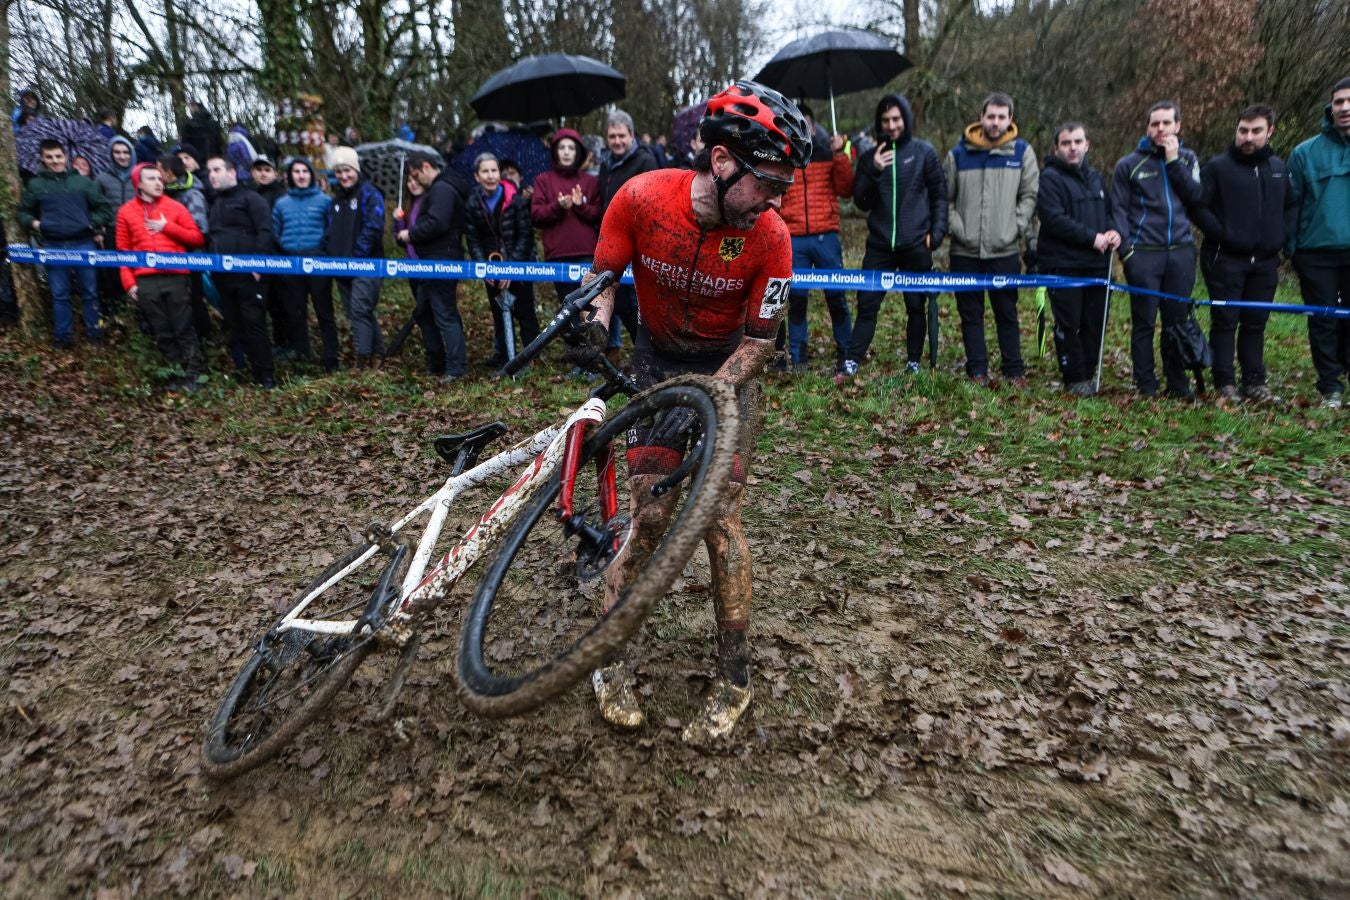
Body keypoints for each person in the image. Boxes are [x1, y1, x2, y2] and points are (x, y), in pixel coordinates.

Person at [583, 81, 809, 742]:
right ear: (720, 161)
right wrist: (596, 328)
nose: (775, 198)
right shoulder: (640, 198)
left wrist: (714, 392)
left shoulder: (772, 238)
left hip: (730, 367)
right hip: (658, 359)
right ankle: (609, 657)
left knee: (719, 519)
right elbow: (602, 283)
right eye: (767, 181)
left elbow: (763, 341)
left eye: (784, 184)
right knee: (649, 513)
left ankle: (735, 677)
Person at [841, 93, 946, 382]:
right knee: (867, 304)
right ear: (880, 123)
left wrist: (936, 234)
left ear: (906, 119)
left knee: (916, 306)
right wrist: (874, 170)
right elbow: (861, 201)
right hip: (880, 245)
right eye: (886, 120)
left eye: (896, 119)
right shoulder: (868, 157)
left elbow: (939, 195)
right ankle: (851, 361)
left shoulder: (924, 152)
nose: (892, 125)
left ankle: (913, 361)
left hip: (916, 244)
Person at [1193, 105, 1293, 405]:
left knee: (1256, 322)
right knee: (1225, 321)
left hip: (1264, 262)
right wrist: (1222, 233)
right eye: (1243, 130)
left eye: (1255, 131)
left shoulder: (1278, 168)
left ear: (1269, 131)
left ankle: (1255, 381)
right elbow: (1198, 207)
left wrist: (1283, 236)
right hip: (1225, 259)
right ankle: (1224, 382)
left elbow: (1292, 204)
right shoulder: (1217, 167)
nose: (1248, 137)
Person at [943, 92, 1039, 386]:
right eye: (990, 116)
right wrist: (957, 228)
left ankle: (1014, 370)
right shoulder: (958, 154)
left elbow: (1029, 196)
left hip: (1004, 250)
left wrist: (1014, 227)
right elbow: (944, 199)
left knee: (1006, 313)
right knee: (970, 314)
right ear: (981, 117)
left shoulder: (1022, 152)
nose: (995, 122)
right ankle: (977, 370)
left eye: (1001, 117)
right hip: (965, 250)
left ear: (1010, 119)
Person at [1110, 101, 1204, 399]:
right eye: (1155, 124)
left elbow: (1196, 198)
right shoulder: (1129, 164)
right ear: (1147, 128)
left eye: (1166, 123)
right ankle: (1146, 384)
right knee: (1144, 322)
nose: (1160, 129)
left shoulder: (1188, 159)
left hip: (1181, 251)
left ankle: (1177, 383)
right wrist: (1127, 252)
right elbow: (1118, 211)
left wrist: (1174, 160)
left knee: (1177, 321)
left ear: (1178, 126)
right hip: (1144, 253)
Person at [1036, 123, 1119, 396]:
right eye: (1066, 142)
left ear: (1087, 144)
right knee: (1070, 323)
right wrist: (1091, 237)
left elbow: (1109, 212)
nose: (1072, 147)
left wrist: (1112, 231)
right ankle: (1074, 377)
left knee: (1095, 322)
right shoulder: (1049, 178)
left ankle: (1088, 372)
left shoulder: (1096, 178)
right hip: (1064, 264)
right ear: (1056, 148)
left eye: (1077, 141)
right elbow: (1053, 219)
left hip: (1097, 264)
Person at [774, 102, 854, 374]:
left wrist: (841, 155)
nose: (802, 126)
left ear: (813, 124)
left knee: (837, 297)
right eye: (797, 122)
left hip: (826, 236)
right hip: (794, 237)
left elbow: (846, 189)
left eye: (806, 121)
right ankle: (798, 358)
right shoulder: (784, 157)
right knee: (797, 299)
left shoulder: (828, 153)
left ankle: (847, 354)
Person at [1286, 77, 1350, 409]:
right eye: (1338, 102)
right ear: (1330, 107)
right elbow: (1292, 204)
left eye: (1349, 101)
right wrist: (1292, 248)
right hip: (1316, 252)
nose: (1345, 107)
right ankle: (1330, 387)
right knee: (1323, 320)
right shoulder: (1305, 152)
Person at [115, 163, 205, 389]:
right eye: (152, 179)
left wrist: (167, 228)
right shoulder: (125, 211)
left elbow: (197, 238)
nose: (158, 182)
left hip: (175, 276)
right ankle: (175, 374)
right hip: (145, 281)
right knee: (162, 330)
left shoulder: (175, 207)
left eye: (159, 178)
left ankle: (193, 375)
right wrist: (129, 283)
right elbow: (123, 252)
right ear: (139, 184)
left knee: (183, 326)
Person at [17, 139, 112, 348]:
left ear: (65, 157)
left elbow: (104, 209)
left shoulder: (82, 182)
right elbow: (23, 211)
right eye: (49, 157)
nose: (55, 161)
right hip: (53, 245)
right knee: (59, 294)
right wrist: (36, 223)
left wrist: (90, 223)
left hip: (83, 243)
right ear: (42, 158)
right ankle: (63, 338)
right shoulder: (36, 185)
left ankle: (95, 334)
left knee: (90, 291)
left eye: (58, 156)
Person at [395, 150, 467, 382]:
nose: (415, 181)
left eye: (416, 175)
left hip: (441, 260)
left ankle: (456, 367)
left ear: (426, 166)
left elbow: (437, 222)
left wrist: (410, 234)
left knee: (445, 313)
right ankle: (436, 361)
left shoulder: (442, 189)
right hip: (431, 260)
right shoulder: (441, 188)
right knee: (425, 313)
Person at [205, 157, 276, 388]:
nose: (212, 175)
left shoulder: (251, 199)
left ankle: (266, 374)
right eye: (209, 172)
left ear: (232, 172)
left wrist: (257, 265)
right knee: (235, 324)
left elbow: (265, 231)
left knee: (254, 323)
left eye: (217, 170)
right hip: (223, 277)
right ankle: (246, 369)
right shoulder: (214, 203)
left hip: (249, 275)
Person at [464, 152, 541, 365]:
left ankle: (532, 358)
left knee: (525, 312)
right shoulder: (472, 204)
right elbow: (473, 239)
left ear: (499, 173)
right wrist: (484, 266)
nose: (490, 175)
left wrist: (511, 267)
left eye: (494, 170)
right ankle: (504, 358)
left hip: (518, 265)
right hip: (491, 265)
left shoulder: (515, 200)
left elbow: (525, 235)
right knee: (498, 313)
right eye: (485, 171)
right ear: (477, 176)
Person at [597, 110, 659, 358]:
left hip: (639, 244)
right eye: (612, 136)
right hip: (612, 242)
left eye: (621, 135)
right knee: (618, 302)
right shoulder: (606, 164)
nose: (617, 141)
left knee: (638, 307)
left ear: (631, 135)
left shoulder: (646, 162)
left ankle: (650, 356)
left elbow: (652, 205)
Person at [322, 146, 386, 367]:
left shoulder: (370, 194)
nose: (344, 176)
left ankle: (363, 359)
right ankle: (378, 354)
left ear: (356, 169)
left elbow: (374, 228)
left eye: (347, 170)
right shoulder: (336, 200)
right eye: (339, 171)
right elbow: (330, 231)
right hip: (340, 267)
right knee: (357, 312)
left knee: (360, 309)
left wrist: (356, 255)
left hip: (366, 264)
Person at [273, 157, 338, 371]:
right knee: (295, 311)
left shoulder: (325, 201)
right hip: (291, 262)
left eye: (305, 171)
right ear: (290, 176)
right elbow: (275, 230)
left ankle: (331, 359)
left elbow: (332, 230)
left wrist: (323, 250)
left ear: (311, 175)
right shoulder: (282, 203)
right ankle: (302, 355)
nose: (301, 175)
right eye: (296, 172)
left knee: (324, 312)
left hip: (318, 262)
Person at [531, 128, 600, 312]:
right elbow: (536, 216)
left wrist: (579, 206)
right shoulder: (543, 180)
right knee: (567, 308)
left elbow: (598, 215)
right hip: (558, 254)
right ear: (555, 151)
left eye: (571, 147)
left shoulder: (591, 181)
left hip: (586, 253)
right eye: (562, 147)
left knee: (587, 305)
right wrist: (558, 206)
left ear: (578, 152)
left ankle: (590, 341)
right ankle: (571, 340)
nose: (567, 152)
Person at [95, 136, 139, 322]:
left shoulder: (139, 176)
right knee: (114, 274)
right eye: (117, 152)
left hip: (136, 232)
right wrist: (98, 229)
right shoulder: (102, 178)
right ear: (111, 154)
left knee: (137, 272)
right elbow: (96, 205)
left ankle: (138, 313)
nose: (122, 156)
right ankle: (116, 313)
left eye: (125, 152)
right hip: (112, 231)